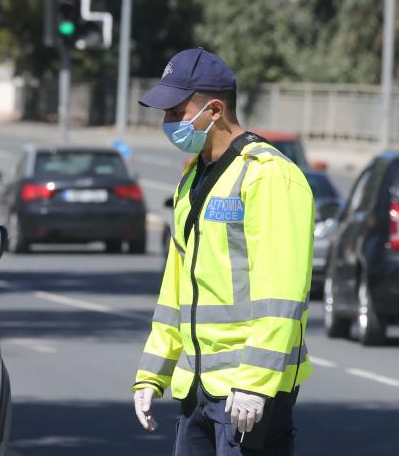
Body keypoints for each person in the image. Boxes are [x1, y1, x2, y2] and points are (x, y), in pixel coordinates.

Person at [131, 48, 314, 455]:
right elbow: (175, 288)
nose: (168, 123)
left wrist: (255, 382)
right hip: (197, 386)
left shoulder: (268, 176)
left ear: (214, 109)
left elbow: (281, 292)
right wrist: (152, 374)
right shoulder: (193, 176)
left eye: (177, 111)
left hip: (247, 393)